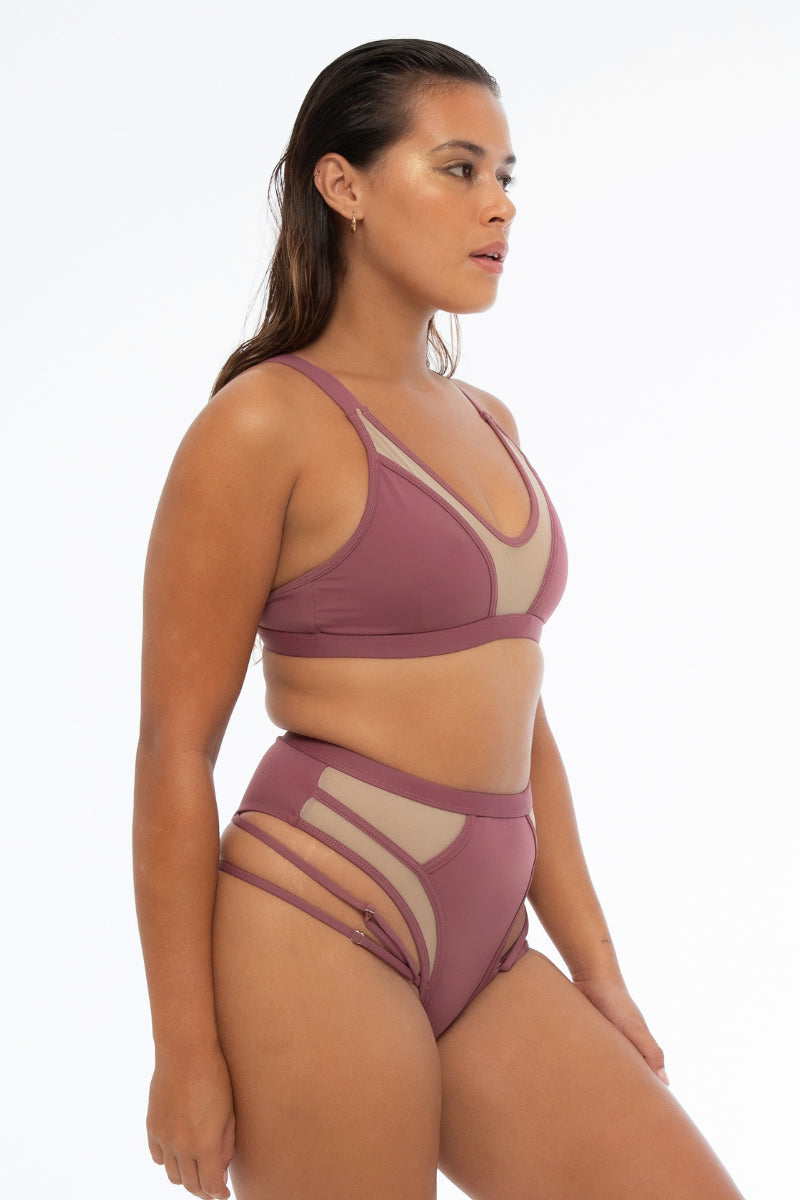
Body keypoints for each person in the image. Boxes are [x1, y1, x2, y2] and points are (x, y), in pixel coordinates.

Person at [133, 38, 744, 1200]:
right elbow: (173, 747)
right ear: (343, 185)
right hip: (318, 912)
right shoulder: (261, 425)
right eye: (457, 169)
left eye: (504, 176)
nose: (497, 206)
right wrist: (183, 1051)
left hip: (489, 937)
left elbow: (522, 717)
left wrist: (597, 970)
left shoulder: (488, 421)